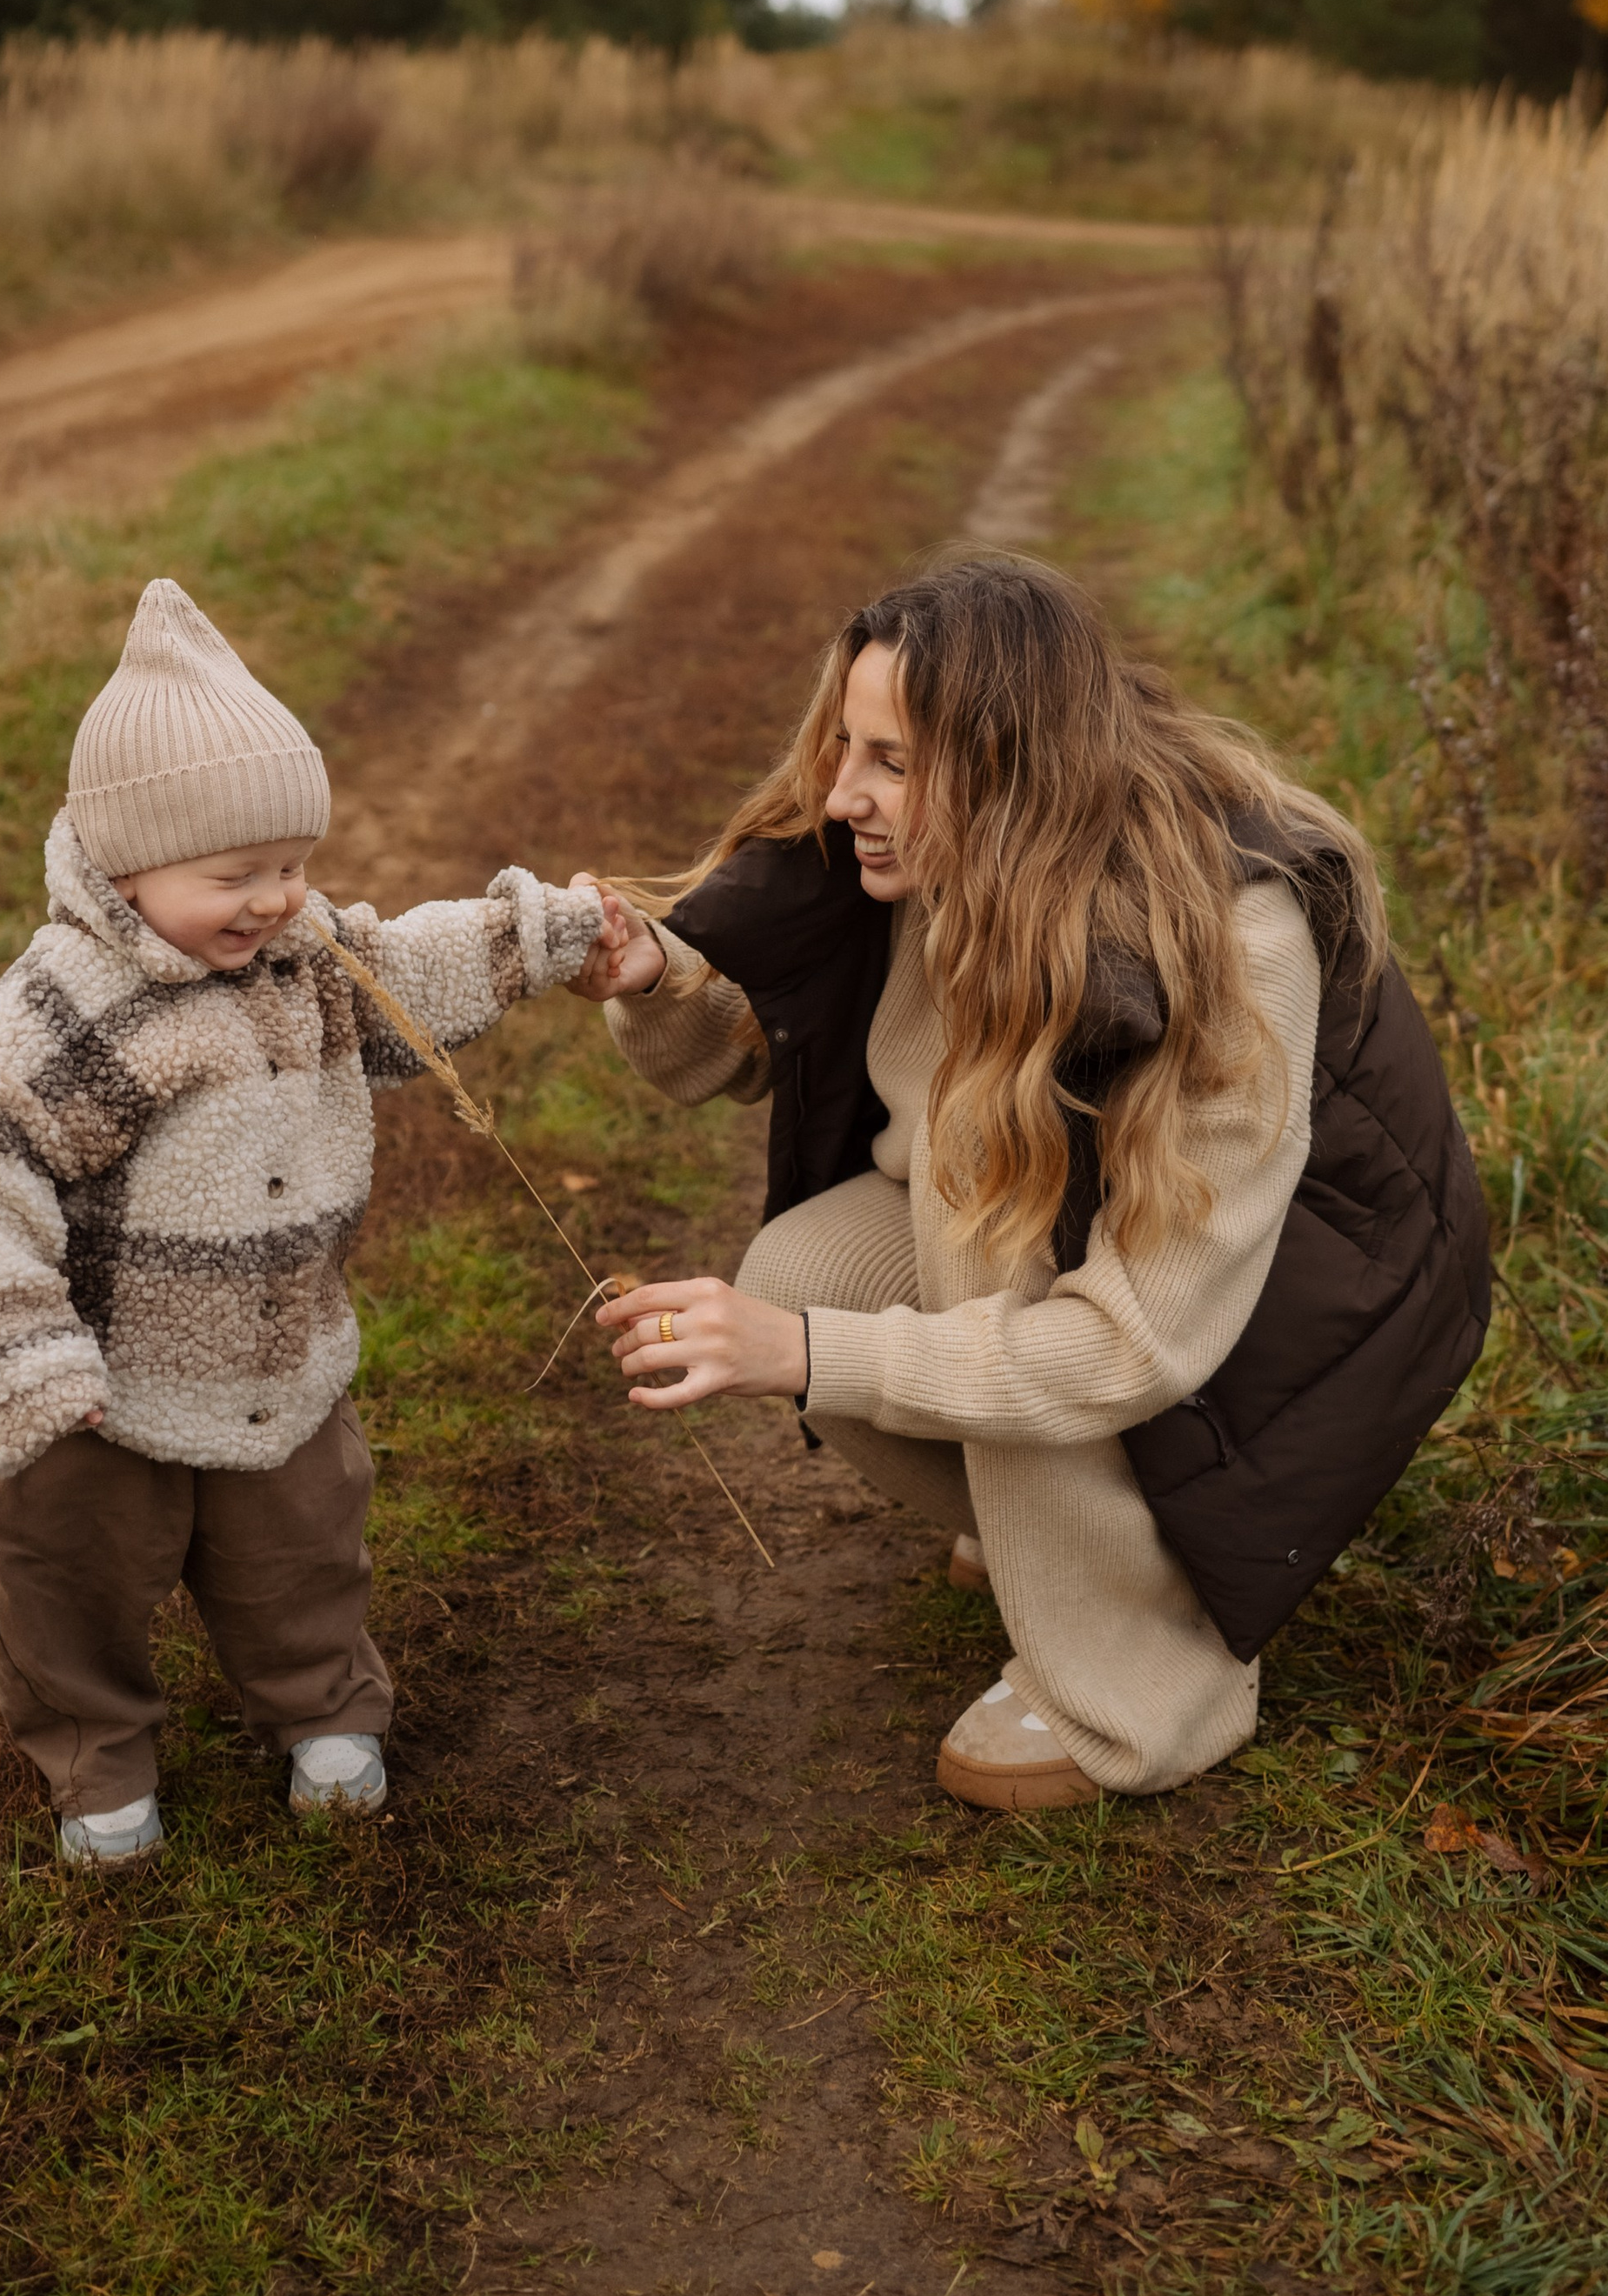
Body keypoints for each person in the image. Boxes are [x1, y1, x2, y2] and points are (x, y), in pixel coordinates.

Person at [576, 554, 1487, 1814]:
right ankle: (1039, 1529)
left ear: (1011, 765)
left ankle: (1150, 1682)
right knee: (814, 1269)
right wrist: (653, 978)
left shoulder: (1233, 943)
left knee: (977, 1212)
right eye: (847, 746)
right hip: (1100, 1266)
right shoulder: (937, 855)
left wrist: (803, 1354)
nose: (844, 795)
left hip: (1290, 1323)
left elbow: (1137, 1340)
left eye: (892, 761)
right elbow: (765, 1034)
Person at [0, 577, 606, 1868]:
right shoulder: (70, 1013)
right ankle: (99, 1757)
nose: (278, 899)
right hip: (99, 1392)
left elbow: (407, 969)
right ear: (122, 868)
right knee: (69, 1575)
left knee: (300, 1552)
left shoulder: (301, 953)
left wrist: (536, 935)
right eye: (237, 874)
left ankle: (323, 1709)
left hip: (276, 1359)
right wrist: (23, 1362)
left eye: (293, 866)